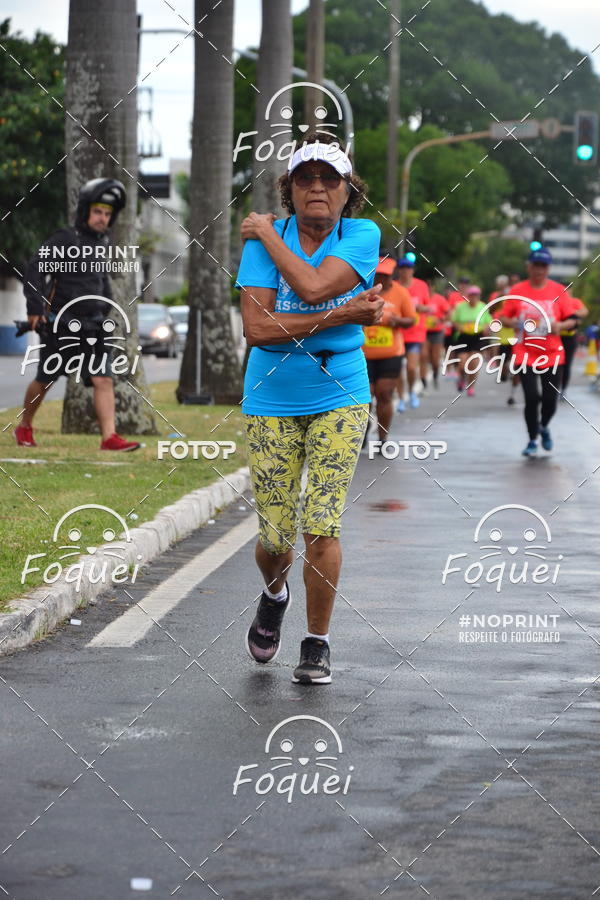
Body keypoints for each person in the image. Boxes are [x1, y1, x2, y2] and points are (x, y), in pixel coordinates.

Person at [236, 134, 383, 684]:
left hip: (340, 393)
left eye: (330, 179)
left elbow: (316, 286)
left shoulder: (362, 234)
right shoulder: (263, 243)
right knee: (275, 537)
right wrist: (348, 315)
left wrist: (266, 236)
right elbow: (257, 330)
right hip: (270, 396)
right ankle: (274, 593)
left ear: (349, 193)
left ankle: (316, 642)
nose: (317, 187)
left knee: (321, 522)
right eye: (304, 179)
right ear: (289, 191)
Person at [15, 178, 140, 452]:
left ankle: (109, 438)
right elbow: (34, 271)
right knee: (46, 379)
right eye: (98, 212)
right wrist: (35, 308)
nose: (102, 218)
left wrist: (106, 305)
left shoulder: (102, 243)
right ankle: (24, 426)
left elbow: (100, 280)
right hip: (60, 322)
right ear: (85, 211)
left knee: (103, 379)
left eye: (107, 214)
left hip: (94, 326)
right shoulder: (64, 239)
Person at [498, 247, 579, 457]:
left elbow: (573, 320)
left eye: (543, 266)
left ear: (548, 268)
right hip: (525, 352)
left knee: (550, 400)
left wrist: (560, 326)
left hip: (552, 354)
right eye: (536, 266)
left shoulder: (559, 290)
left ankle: (543, 427)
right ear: (529, 267)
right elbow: (503, 317)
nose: (539, 270)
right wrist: (515, 321)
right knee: (532, 397)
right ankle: (532, 439)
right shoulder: (517, 290)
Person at [362, 257, 416, 442]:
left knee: (384, 394)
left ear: (391, 275)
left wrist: (397, 321)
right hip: (363, 355)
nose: (381, 279)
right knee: (365, 396)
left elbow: (411, 319)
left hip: (391, 354)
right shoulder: (362, 291)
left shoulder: (401, 293)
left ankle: (383, 437)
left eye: (385, 275)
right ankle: (364, 428)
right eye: (378, 274)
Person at [394, 254, 433, 410]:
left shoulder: (421, 285)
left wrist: (416, 308)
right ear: (398, 270)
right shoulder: (394, 286)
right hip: (396, 333)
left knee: (411, 367)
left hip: (415, 333)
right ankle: (401, 397)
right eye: (402, 268)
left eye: (408, 268)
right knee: (397, 369)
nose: (405, 271)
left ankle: (411, 392)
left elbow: (429, 308)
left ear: (413, 270)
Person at [450, 285, 491, 396]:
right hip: (463, 336)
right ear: (468, 296)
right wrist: (459, 327)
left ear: (479, 296)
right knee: (462, 363)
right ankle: (462, 378)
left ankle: (471, 386)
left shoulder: (483, 306)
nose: (473, 298)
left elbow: (488, 321)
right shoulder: (460, 307)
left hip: (477, 337)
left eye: (476, 296)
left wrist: (486, 328)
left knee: (474, 363)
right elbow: (454, 320)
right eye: (471, 295)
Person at [488, 274, 519, 404]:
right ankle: (502, 369)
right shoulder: (498, 296)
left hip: (517, 335)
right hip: (501, 333)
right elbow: (491, 309)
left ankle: (512, 394)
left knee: (517, 366)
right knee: (504, 363)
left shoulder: (518, 296)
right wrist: (501, 297)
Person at [559, 294, 588, 398]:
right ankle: (552, 388)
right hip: (556, 338)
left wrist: (572, 313)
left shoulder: (574, 301)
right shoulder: (556, 300)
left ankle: (563, 389)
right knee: (555, 365)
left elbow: (584, 312)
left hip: (570, 338)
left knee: (566, 365)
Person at [422, 285, 450, 388]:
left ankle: (435, 375)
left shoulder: (440, 299)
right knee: (423, 355)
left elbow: (448, 313)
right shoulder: (421, 298)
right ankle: (423, 381)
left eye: (430, 287)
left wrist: (441, 319)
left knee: (435, 358)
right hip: (424, 331)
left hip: (437, 332)